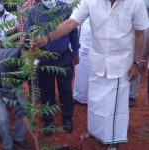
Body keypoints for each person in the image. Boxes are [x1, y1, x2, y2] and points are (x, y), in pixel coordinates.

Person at [30, 0, 149, 149]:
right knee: (95, 102)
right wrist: (46, 38)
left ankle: (112, 139)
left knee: (114, 106)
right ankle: (95, 131)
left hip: (120, 64)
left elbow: (140, 34)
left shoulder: (135, 3)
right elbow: (70, 23)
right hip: (97, 61)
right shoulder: (91, 1)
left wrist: (136, 62)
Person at [26, 0, 80, 134]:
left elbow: (73, 32)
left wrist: (76, 51)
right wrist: (33, 48)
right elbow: (29, 35)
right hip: (44, 59)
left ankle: (67, 118)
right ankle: (48, 121)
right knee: (46, 91)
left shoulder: (66, 8)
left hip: (64, 56)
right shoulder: (34, 12)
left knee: (66, 89)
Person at [0, 48, 31, 150]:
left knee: (25, 108)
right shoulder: (6, 61)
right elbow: (8, 93)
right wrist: (23, 116)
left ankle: (19, 137)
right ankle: (8, 145)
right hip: (5, 85)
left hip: (11, 84)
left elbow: (32, 79)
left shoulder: (29, 58)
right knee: (3, 119)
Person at [73, 18, 91, 104]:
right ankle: (80, 97)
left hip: (100, 47)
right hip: (84, 44)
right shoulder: (84, 5)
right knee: (82, 72)